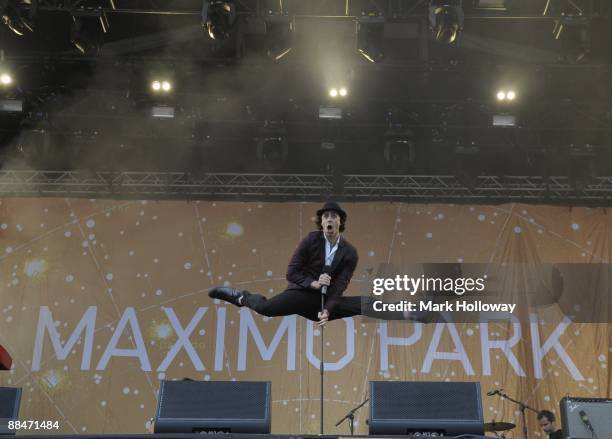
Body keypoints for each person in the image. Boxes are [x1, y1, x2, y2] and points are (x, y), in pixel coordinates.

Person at [209, 201, 366, 326]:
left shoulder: (350, 253)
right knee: (266, 308)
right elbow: (292, 272)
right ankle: (242, 297)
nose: (330, 218)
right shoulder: (311, 240)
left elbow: (339, 287)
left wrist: (327, 311)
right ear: (322, 222)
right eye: (326, 216)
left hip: (322, 303)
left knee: (364, 304)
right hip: (301, 294)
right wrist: (314, 284)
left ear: (341, 221)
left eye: (334, 216)